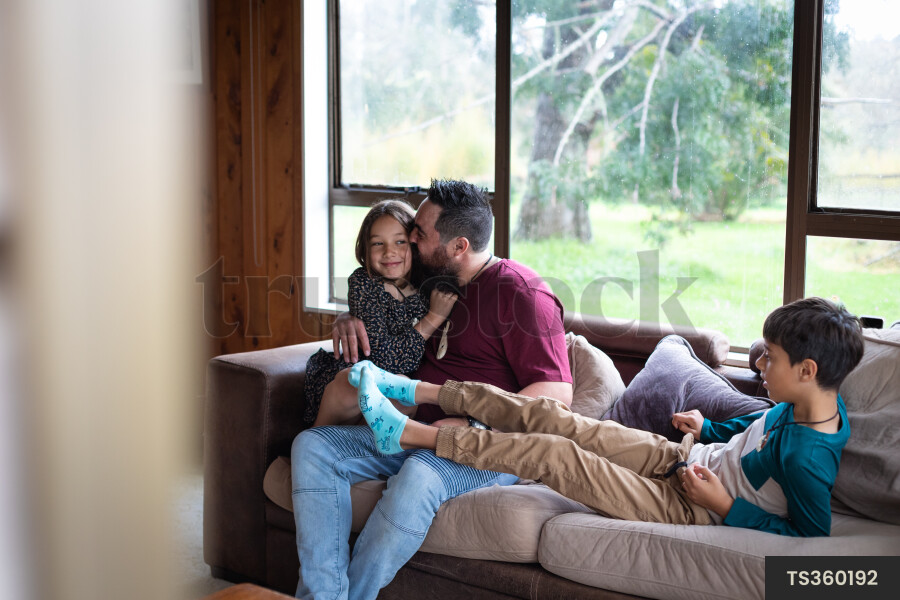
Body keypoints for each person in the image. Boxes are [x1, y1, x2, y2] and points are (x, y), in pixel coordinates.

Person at [353, 296, 864, 537]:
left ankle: (409, 434)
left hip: (688, 504)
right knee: (558, 419)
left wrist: (725, 505)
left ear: (807, 370)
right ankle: (413, 388)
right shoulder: (810, 401)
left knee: (554, 455)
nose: (759, 364)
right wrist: (709, 429)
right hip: (682, 455)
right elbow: (754, 437)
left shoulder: (808, 457)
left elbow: (809, 536)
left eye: (770, 358)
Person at [291, 179, 573, 600]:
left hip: (485, 444)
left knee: (420, 474)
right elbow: (379, 293)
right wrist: (348, 319)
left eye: (419, 234)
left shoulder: (522, 293)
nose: (411, 241)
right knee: (313, 446)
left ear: (459, 246)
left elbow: (557, 392)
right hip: (408, 427)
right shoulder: (434, 278)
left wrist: (473, 422)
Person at [302, 199, 457, 427]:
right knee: (363, 381)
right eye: (377, 243)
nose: (389, 252)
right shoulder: (364, 284)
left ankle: (355, 443)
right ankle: (315, 435)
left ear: (414, 243)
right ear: (365, 248)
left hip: (395, 391)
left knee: (404, 393)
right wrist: (433, 318)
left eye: (400, 241)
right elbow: (386, 361)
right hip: (358, 375)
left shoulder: (427, 284)